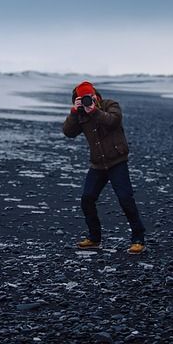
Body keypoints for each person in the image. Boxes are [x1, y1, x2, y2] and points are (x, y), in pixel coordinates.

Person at [63, 81, 147, 254]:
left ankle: (138, 239)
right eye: (82, 98)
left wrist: (94, 111)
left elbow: (113, 121)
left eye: (90, 97)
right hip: (98, 164)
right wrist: (74, 112)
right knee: (87, 199)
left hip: (117, 161)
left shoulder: (110, 105)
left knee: (125, 198)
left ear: (95, 95)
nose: (88, 100)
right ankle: (94, 238)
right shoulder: (79, 113)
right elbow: (68, 132)